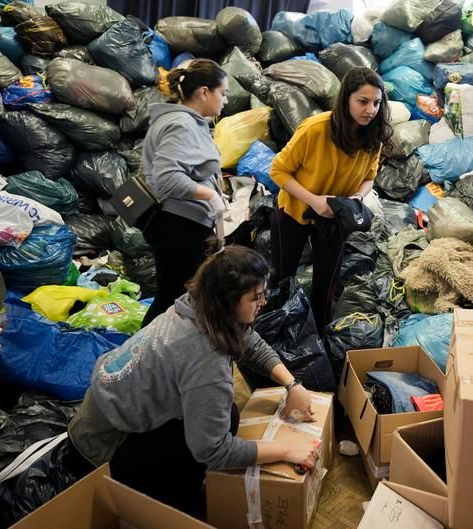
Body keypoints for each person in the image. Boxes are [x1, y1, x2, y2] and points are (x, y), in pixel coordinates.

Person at [68, 246, 320, 516]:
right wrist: (286, 452)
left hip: (101, 415)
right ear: (228, 301)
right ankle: (177, 503)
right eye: (255, 297)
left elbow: (249, 341)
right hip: (101, 450)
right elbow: (214, 451)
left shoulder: (196, 304)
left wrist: (293, 385)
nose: (263, 303)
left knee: (227, 415)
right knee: (220, 427)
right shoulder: (206, 360)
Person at [269, 67, 391, 334]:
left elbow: (370, 177)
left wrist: (357, 199)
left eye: (376, 102)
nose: (370, 109)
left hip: (336, 216)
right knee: (283, 278)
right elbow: (277, 170)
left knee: (327, 284)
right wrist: (313, 200)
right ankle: (279, 332)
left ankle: (318, 340)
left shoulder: (373, 137)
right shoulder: (315, 129)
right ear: (346, 98)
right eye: (363, 101)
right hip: (295, 209)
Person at [139, 59, 229, 327]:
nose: (224, 101)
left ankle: (148, 357)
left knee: (172, 297)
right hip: (180, 227)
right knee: (173, 301)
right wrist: (210, 196)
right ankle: (142, 358)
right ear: (204, 92)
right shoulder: (182, 124)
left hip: (178, 225)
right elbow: (167, 179)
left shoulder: (184, 121)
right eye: (222, 93)